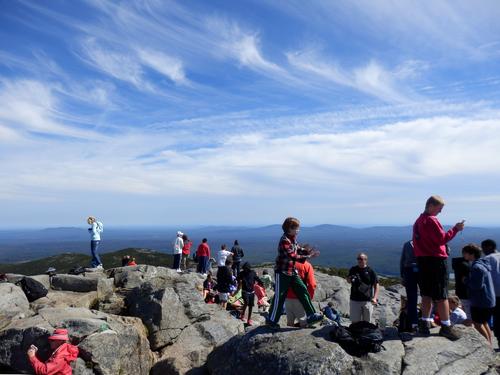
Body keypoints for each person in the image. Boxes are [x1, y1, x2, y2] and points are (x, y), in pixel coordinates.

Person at [412, 195, 464, 340]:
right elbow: (442, 239)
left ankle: (424, 323)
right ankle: (446, 327)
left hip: (422, 261)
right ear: (430, 205)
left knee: (427, 294)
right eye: (439, 208)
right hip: (436, 261)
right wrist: (456, 229)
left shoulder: (418, 221)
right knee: (441, 295)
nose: (440, 212)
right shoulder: (431, 220)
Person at [266, 217, 323, 329]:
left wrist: (306, 251)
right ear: (289, 228)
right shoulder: (284, 240)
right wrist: (308, 256)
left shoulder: (292, 239)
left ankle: (311, 315)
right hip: (282, 272)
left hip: (292, 271)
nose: (298, 230)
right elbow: (292, 255)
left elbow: (297, 249)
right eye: (296, 228)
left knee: (303, 290)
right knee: (280, 296)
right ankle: (272, 321)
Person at [462, 244, 495, 346]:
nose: (463, 255)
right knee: (484, 322)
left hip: (480, 301)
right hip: (488, 300)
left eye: (465, 253)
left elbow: (476, 286)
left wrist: (466, 280)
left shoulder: (476, 267)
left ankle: (487, 347)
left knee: (477, 324)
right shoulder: (484, 263)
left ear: (471, 254)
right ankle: (489, 344)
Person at [346, 252, 379, 323]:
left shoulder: (370, 271)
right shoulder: (353, 269)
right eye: (358, 258)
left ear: (365, 260)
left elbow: (376, 285)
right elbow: (348, 281)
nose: (359, 260)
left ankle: (365, 334)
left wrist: (375, 297)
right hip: (355, 300)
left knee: (367, 322)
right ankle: (355, 333)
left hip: (367, 300)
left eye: (361, 259)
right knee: (355, 322)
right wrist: (350, 278)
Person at [285, 259, 317, 327]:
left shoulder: (287, 263)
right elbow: (312, 285)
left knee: (289, 324)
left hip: (286, 298)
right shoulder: (306, 265)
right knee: (304, 323)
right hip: (300, 298)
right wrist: (309, 298)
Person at [482, 239, 500, 343]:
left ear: (488, 247)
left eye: (483, 247)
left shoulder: (487, 259)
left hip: (495, 293)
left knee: (497, 317)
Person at [400, 240, 419, 332]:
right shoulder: (407, 244)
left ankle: (426, 321)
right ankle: (413, 324)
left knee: (426, 297)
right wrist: (403, 276)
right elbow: (403, 260)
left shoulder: (426, 241)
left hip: (422, 270)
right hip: (409, 271)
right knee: (412, 299)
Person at [452, 248, 472, 320]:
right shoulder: (465, 265)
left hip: (460, 291)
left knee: (466, 310)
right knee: (469, 315)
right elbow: (466, 280)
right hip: (466, 292)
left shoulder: (459, 263)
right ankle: (470, 327)